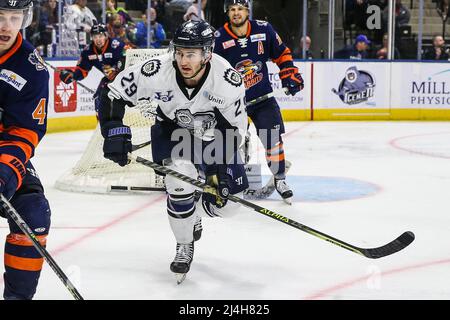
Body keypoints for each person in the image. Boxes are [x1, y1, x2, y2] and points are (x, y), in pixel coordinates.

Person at [98, 20, 249, 283]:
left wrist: (219, 170)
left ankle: (196, 210)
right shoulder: (157, 70)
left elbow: (235, 131)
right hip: (172, 133)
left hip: (215, 139)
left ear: (207, 54)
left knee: (230, 205)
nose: (183, 60)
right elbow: (113, 93)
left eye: (190, 54)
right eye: (179, 52)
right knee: (179, 180)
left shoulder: (227, 81)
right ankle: (184, 242)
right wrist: (113, 130)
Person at [214, 0, 304, 204]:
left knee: (273, 141)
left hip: (263, 99)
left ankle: (280, 179)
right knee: (231, 144)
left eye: (240, 9)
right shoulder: (218, 38)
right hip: (234, 104)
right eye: (232, 10)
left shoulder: (264, 29)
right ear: (228, 13)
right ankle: (231, 179)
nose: (236, 13)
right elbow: (213, 72)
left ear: (247, 11)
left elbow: (282, 53)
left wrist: (289, 73)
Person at [0, 0, 52, 299]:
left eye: (14, 17)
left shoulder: (31, 67)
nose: (7, 26)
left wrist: (5, 171)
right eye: (0, 17)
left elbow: (24, 132)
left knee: (33, 212)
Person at [59, 23, 126, 113]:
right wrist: (73, 76)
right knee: (99, 97)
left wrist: (117, 69)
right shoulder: (88, 51)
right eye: (95, 37)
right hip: (110, 79)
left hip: (126, 78)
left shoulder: (117, 46)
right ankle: (102, 123)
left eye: (100, 36)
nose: (98, 39)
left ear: (106, 36)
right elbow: (83, 70)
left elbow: (129, 59)